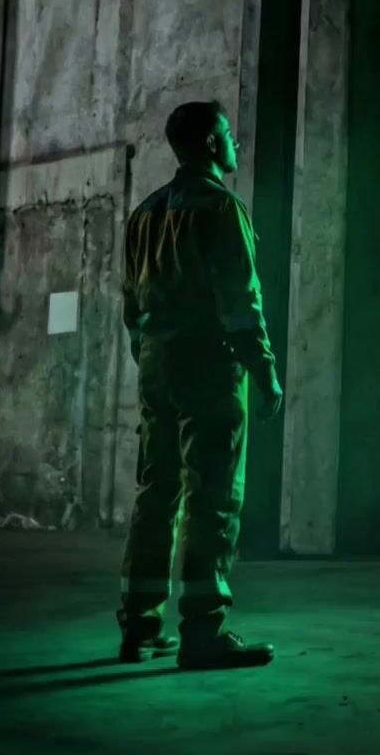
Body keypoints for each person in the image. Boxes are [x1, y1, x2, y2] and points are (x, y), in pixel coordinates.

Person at [116, 100, 284, 670]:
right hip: (209, 364)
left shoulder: (144, 213)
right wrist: (264, 371)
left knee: (155, 491)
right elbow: (240, 301)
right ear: (212, 143)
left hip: (157, 364)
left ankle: (139, 626)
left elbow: (131, 304)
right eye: (229, 133)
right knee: (211, 495)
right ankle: (203, 630)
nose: (235, 141)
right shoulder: (221, 208)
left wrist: (149, 356)